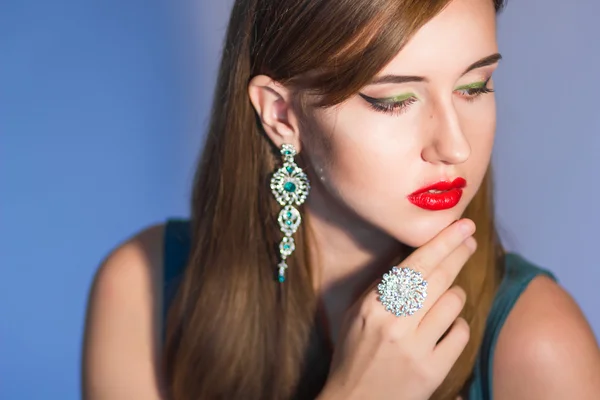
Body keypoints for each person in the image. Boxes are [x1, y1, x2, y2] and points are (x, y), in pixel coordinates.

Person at [82, 0, 600, 398]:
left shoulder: (538, 343)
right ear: (281, 115)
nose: (455, 145)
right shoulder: (142, 289)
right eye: (393, 100)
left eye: (474, 87)